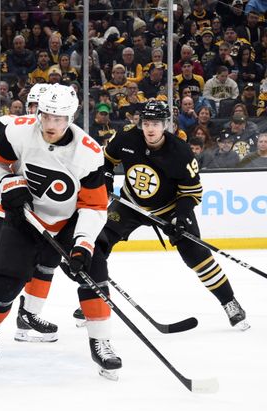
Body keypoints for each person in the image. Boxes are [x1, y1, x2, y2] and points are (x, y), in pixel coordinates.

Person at [0, 84, 118, 378]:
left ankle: (100, 341)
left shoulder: (89, 153)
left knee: (93, 272)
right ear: (39, 113)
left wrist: (83, 244)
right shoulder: (17, 131)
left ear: (71, 117)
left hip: (68, 221)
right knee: (5, 285)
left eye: (58, 118)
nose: (50, 124)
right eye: (46, 116)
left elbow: (94, 206)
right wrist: (6, 180)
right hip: (26, 218)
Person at [87, 101, 248, 330]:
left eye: (156, 123)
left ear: (166, 125)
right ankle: (95, 297)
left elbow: (192, 192)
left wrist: (180, 218)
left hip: (170, 209)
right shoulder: (126, 138)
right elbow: (107, 160)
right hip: (130, 204)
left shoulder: (180, 152)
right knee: (98, 244)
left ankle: (229, 302)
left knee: (198, 257)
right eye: (146, 123)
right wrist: (106, 178)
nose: (150, 129)